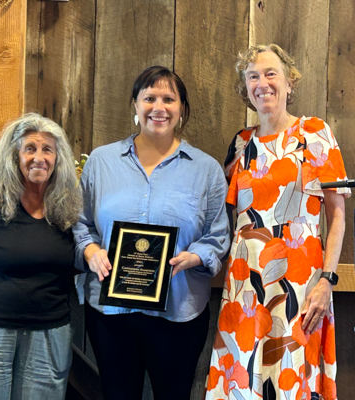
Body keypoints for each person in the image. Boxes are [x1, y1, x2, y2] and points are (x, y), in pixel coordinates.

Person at [73, 66, 230, 400]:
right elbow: (79, 223)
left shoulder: (206, 170)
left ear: (182, 109)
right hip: (110, 313)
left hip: (178, 311)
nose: (159, 107)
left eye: (169, 99)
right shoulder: (102, 162)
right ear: (135, 104)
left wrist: (196, 256)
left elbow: (218, 235)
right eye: (149, 98)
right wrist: (90, 251)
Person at [206, 44, 351, 400]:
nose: (262, 83)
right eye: (253, 76)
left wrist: (326, 282)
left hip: (300, 284)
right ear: (245, 89)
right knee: (243, 376)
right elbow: (224, 214)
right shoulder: (240, 145)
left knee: (291, 376)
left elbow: (337, 216)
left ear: (289, 83)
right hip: (244, 285)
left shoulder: (315, 134)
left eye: (271, 74)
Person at [0, 113, 82, 399]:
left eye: (48, 149)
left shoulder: (69, 208)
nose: (39, 157)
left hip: (49, 334)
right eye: (30, 148)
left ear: (58, 157)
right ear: (14, 155)